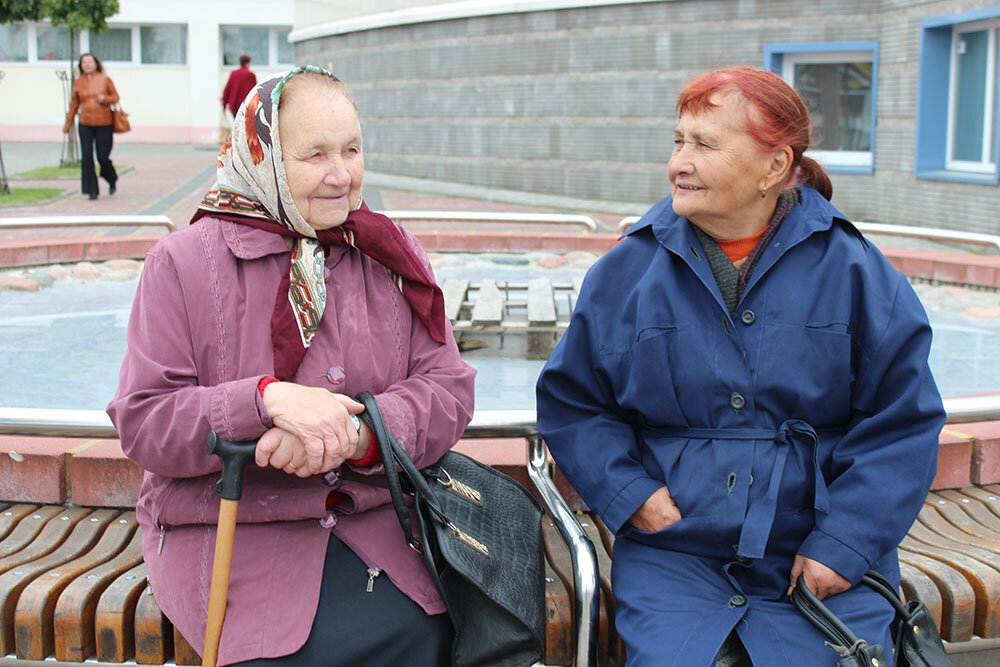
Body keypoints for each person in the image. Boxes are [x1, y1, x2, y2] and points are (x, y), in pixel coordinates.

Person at [535, 67, 945, 666]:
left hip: (815, 555)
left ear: (775, 167)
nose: (680, 161)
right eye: (679, 141)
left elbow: (904, 423)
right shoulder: (627, 273)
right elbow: (574, 402)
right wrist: (633, 494)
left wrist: (844, 543)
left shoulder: (857, 273)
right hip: (677, 553)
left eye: (705, 144)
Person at [107, 66, 475, 666]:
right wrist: (265, 402)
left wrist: (356, 436)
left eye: (352, 149)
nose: (341, 174)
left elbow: (449, 389)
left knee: (430, 639)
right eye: (315, 155)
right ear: (264, 156)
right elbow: (146, 423)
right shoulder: (182, 263)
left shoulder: (387, 254)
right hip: (236, 531)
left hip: (378, 530)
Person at [63, 53, 119, 200]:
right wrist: (68, 123)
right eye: (84, 62)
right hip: (85, 123)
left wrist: (105, 99)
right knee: (87, 156)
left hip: (104, 123)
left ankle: (111, 178)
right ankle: (92, 190)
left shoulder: (104, 79)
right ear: (81, 65)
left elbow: (115, 97)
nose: (87, 64)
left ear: (96, 64)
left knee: (103, 157)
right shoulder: (78, 82)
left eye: (89, 61)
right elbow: (74, 103)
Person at [221, 54, 257, 126]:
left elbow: (227, 89)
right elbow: (255, 92)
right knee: (246, 127)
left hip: (235, 106)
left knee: (237, 125)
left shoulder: (233, 74)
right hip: (247, 106)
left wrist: (224, 103)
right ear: (248, 63)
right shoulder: (251, 75)